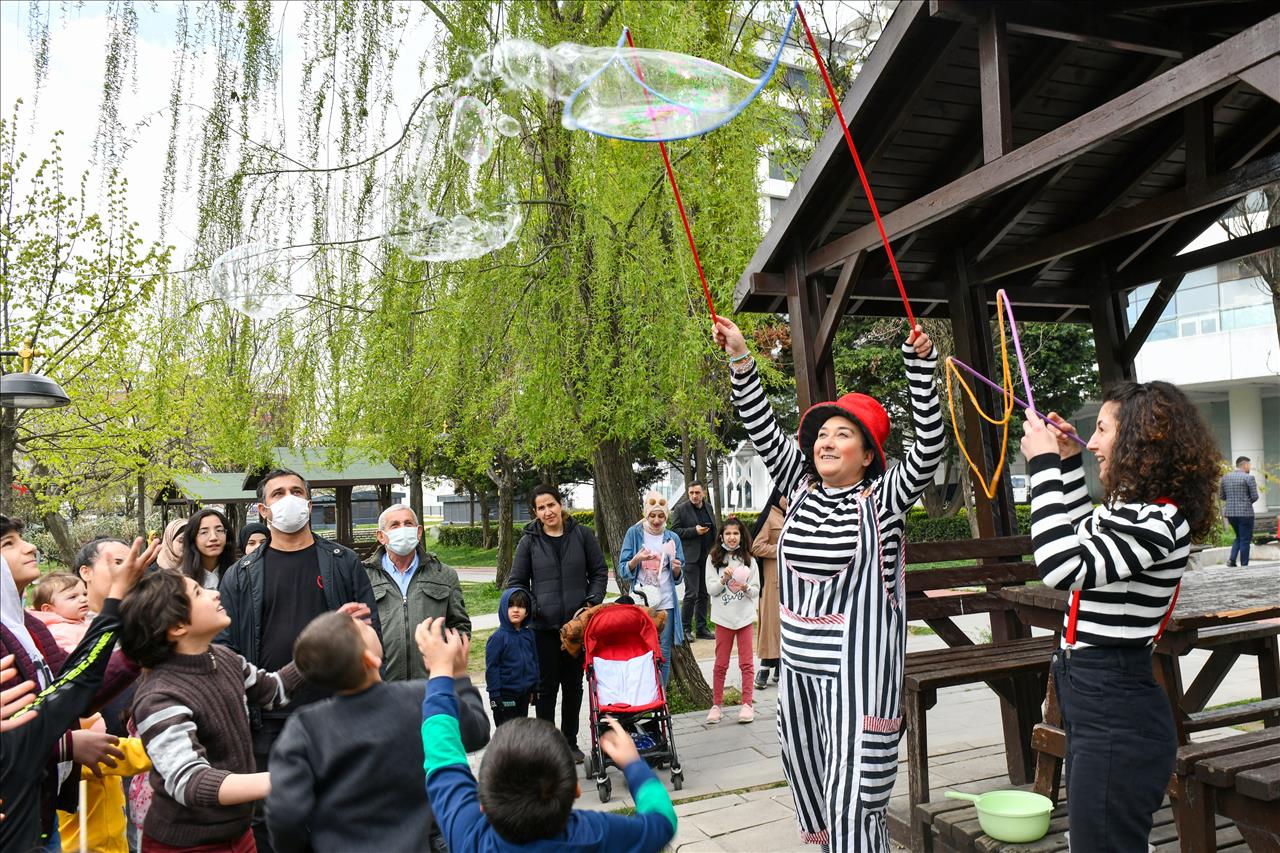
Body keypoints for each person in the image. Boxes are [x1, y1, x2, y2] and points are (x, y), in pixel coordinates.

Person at [714, 316, 944, 851]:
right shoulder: (799, 487)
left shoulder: (884, 499)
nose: (826, 441)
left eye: (843, 434)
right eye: (821, 434)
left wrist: (919, 368)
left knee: (854, 802)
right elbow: (763, 429)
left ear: (868, 454)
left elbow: (929, 447)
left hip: (859, 681)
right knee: (815, 789)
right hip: (800, 675)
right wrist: (741, 356)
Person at [1021, 383, 1220, 851]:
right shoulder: (1130, 513)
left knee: (1102, 843)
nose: (1092, 442)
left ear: (1140, 439)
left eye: (1102, 429)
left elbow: (1061, 566)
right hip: (1097, 699)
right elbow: (1075, 535)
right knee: (1098, 840)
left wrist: (1043, 465)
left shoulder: (1158, 521)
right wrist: (1069, 463)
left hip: (1116, 706)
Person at [216, 467, 380, 853]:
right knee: (272, 819)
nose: (288, 498)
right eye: (277, 494)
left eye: (296, 491)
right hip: (268, 720)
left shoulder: (342, 562)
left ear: (309, 502)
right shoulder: (240, 575)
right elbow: (225, 648)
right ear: (263, 509)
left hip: (336, 710)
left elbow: (370, 637)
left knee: (341, 809)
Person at [418, 617, 678, 853]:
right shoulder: (595, 834)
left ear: (482, 804)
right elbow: (663, 821)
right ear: (576, 790)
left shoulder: (469, 836)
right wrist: (634, 766)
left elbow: (441, 753)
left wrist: (444, 672)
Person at [266, 611, 489, 853]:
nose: (367, 624)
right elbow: (476, 731)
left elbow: (285, 813)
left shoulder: (304, 728)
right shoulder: (420, 698)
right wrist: (456, 677)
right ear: (370, 659)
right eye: (362, 628)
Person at [121, 570, 303, 853]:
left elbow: (272, 691)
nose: (214, 593)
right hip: (187, 845)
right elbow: (191, 780)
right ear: (178, 625)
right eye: (198, 592)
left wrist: (322, 641)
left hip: (239, 834)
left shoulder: (224, 658)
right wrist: (286, 778)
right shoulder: (160, 696)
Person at [0, 533, 160, 853]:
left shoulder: (30, 627)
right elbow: (17, 731)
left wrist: (136, 650)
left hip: (41, 813)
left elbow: (75, 691)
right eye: (8, 543)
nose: (30, 547)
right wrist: (67, 744)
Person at [28, 572, 150, 853]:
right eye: (72, 596)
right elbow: (121, 755)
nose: (82, 599)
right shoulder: (56, 637)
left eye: (82, 594)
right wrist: (164, 748)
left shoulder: (72, 628)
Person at [508, 485, 608, 763]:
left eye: (551, 505)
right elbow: (516, 582)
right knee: (545, 689)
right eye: (541, 508)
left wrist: (590, 603)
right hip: (543, 629)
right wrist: (533, 607)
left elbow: (599, 571)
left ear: (560, 504)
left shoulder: (583, 535)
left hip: (576, 629)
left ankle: (570, 742)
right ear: (535, 512)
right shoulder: (528, 541)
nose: (547, 511)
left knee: (574, 685)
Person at [364, 505, 470, 681]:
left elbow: (460, 626)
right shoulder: (364, 576)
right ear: (381, 536)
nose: (403, 529)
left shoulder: (444, 574)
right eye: (395, 525)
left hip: (432, 683)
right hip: (381, 686)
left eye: (408, 523)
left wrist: (447, 664)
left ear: (418, 532)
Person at [617, 493, 685, 687]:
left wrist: (677, 569)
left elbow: (679, 577)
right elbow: (623, 570)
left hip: (666, 602)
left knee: (663, 652)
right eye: (652, 515)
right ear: (646, 514)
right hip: (641, 603)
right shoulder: (634, 533)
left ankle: (660, 699)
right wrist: (636, 559)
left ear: (666, 517)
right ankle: (644, 697)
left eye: (661, 516)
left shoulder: (673, 538)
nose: (656, 520)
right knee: (641, 650)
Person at [704, 517, 760, 725]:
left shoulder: (749, 560)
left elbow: (755, 591)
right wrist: (723, 579)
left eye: (736, 533)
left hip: (744, 618)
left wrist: (745, 588)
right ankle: (716, 705)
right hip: (723, 619)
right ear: (721, 536)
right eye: (728, 533)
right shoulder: (713, 559)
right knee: (720, 664)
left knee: (747, 662)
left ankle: (747, 704)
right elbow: (711, 590)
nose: (732, 537)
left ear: (741, 536)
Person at [485, 588, 539, 726]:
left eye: (520, 606)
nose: (516, 610)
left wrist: (535, 687)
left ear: (527, 611)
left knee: (520, 730)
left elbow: (534, 661)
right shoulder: (497, 638)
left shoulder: (529, 635)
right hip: (505, 696)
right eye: (511, 606)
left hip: (524, 694)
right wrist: (494, 695)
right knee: (507, 732)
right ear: (504, 608)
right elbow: (492, 668)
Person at [671, 482, 717, 640]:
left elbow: (714, 529)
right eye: (691, 493)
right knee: (692, 593)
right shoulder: (680, 509)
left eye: (697, 493)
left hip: (707, 556)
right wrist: (694, 531)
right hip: (690, 557)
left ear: (703, 493)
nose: (694, 496)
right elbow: (675, 531)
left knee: (704, 593)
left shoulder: (708, 507)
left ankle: (701, 628)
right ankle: (685, 629)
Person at [750, 491, 786, 690]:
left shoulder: (793, 514)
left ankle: (781, 666)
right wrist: (781, 549)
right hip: (772, 581)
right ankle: (764, 667)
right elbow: (756, 546)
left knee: (787, 625)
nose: (789, 500)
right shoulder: (770, 516)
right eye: (786, 496)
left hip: (792, 581)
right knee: (770, 623)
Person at [28, 573, 90, 649]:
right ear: (49, 610)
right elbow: (69, 656)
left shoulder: (83, 621)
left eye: (85, 594)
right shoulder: (57, 632)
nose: (84, 599)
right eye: (73, 597)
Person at [181, 508, 238, 589]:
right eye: (204, 532)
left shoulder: (240, 573)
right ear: (192, 538)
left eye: (219, 530)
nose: (213, 537)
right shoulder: (180, 580)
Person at [1220, 456, 1259, 567]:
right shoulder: (1249, 478)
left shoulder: (1225, 478)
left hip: (1231, 514)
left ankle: (1232, 560)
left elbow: (1222, 496)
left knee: (1239, 537)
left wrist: (1233, 502)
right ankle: (1244, 565)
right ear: (1245, 465)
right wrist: (1245, 502)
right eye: (1249, 465)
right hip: (1245, 514)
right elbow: (1255, 496)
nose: (1250, 467)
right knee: (1245, 539)